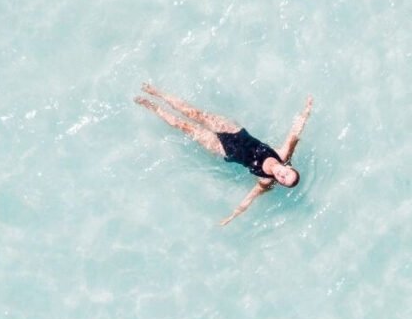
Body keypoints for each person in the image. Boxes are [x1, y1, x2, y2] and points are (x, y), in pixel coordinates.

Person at [134, 84, 313, 225]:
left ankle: (152, 107)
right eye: (287, 174)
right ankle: (158, 93)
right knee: (193, 113)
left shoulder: (265, 181)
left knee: (184, 126)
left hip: (224, 149)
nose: (282, 176)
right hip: (234, 131)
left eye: (283, 180)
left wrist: (232, 217)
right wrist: (307, 110)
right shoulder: (283, 154)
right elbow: (295, 132)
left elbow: (248, 200)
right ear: (288, 166)